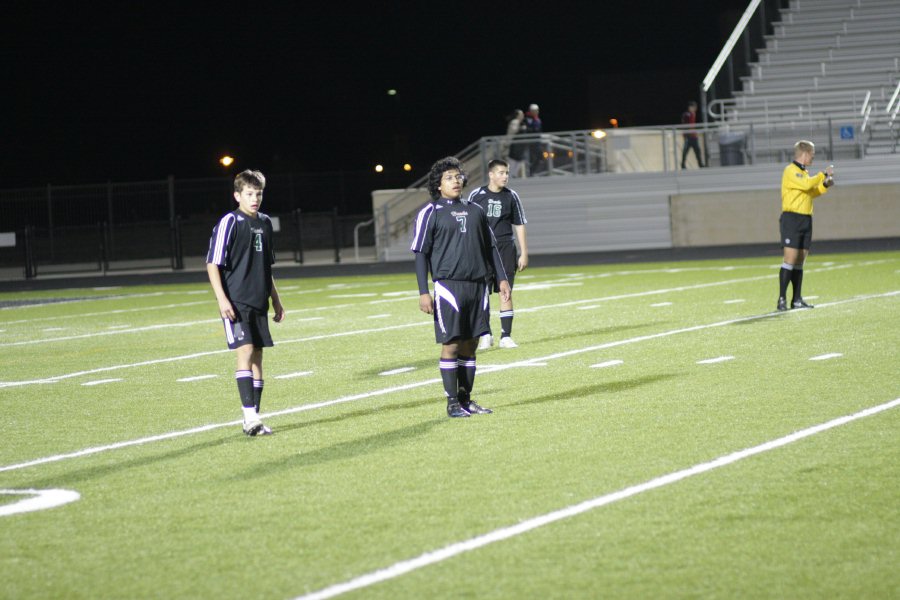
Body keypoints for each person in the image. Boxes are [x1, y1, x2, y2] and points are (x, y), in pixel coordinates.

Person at [411, 156, 511, 418]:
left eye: (458, 177)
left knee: (471, 345)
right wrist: (424, 291)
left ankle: (466, 400)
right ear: (438, 185)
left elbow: (491, 248)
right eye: (449, 178)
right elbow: (421, 253)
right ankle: (452, 403)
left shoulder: (475, 210)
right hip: (448, 288)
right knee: (452, 344)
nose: (455, 181)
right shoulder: (429, 212)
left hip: (478, 286)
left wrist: (501, 278)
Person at [206, 169, 286, 436]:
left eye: (259, 194)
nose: (255, 199)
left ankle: (253, 419)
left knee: (258, 358)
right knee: (246, 350)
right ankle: (249, 417)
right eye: (249, 194)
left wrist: (276, 299)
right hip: (236, 300)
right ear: (237, 195)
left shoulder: (264, 222)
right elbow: (212, 263)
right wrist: (221, 299)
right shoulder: (230, 222)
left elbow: (267, 266)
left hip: (259, 301)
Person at [467, 159, 529, 349]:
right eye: (501, 173)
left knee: (506, 292)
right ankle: (486, 334)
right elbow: (469, 225)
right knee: (482, 293)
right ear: (491, 174)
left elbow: (519, 224)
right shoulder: (476, 195)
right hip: (482, 250)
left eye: (507, 173)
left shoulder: (511, 196)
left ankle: (506, 336)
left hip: (505, 249)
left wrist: (524, 252)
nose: (505, 177)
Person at [777, 140, 834, 311]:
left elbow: (810, 192)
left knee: (800, 260)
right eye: (812, 154)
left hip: (806, 219)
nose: (813, 157)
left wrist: (824, 185)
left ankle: (796, 299)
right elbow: (806, 184)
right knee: (790, 259)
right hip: (792, 218)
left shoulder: (804, 173)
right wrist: (823, 174)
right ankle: (781, 299)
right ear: (805, 153)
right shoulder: (790, 171)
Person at [681, 101, 704, 169]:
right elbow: (685, 124)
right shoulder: (687, 114)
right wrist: (685, 135)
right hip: (688, 136)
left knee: (697, 151)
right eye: (693, 107)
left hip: (694, 136)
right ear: (690, 107)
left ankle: (700, 164)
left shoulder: (693, 114)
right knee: (685, 151)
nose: (695, 108)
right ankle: (683, 164)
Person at [503, 109, 526, 177]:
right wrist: (521, 128)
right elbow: (512, 132)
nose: (523, 116)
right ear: (518, 115)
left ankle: (512, 176)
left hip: (518, 146)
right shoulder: (515, 122)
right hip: (514, 146)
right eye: (521, 114)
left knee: (518, 161)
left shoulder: (519, 122)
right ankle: (510, 176)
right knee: (513, 162)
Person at [523, 103, 543, 175]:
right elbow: (528, 130)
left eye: (537, 110)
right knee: (530, 158)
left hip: (537, 142)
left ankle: (531, 172)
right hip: (530, 142)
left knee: (539, 157)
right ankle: (529, 173)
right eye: (534, 110)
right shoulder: (527, 119)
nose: (537, 112)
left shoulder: (537, 119)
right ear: (531, 111)